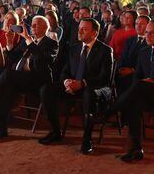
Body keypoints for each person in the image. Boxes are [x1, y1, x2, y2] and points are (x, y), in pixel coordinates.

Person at [0, 16, 58, 141]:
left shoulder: (51, 43)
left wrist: (29, 40)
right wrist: (9, 42)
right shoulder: (26, 41)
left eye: (36, 25)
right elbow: (13, 57)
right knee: (7, 88)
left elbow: (41, 59)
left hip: (38, 81)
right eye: (32, 24)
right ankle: (1, 129)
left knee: (8, 74)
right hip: (21, 78)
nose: (32, 27)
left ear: (45, 27)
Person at [104, 19, 154, 162]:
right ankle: (136, 149)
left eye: (152, 33)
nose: (147, 36)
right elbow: (137, 78)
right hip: (144, 94)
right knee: (133, 103)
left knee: (138, 87)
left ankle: (109, 112)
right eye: (147, 33)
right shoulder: (143, 52)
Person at [39, 18, 113, 155]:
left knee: (88, 94)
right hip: (73, 85)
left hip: (94, 87)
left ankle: (87, 139)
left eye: (84, 29)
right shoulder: (74, 48)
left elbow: (104, 78)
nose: (79, 31)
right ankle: (55, 131)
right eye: (79, 28)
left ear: (94, 33)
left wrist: (83, 83)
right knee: (46, 89)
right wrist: (67, 81)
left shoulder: (105, 50)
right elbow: (65, 71)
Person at [116, 15, 150, 95]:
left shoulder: (150, 42)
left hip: (139, 75)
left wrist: (132, 70)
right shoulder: (130, 40)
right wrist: (120, 68)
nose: (138, 26)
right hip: (124, 73)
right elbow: (123, 57)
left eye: (142, 24)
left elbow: (147, 63)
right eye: (137, 23)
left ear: (148, 26)